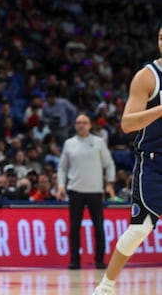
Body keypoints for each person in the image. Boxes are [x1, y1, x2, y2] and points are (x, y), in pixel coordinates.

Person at [93, 32, 162, 295]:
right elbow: (127, 124)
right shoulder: (147, 77)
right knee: (140, 228)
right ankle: (106, 286)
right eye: (160, 36)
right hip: (154, 161)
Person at [56, 113, 115, 270]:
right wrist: (61, 185)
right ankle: (75, 260)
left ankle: (100, 260)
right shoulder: (69, 143)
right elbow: (62, 168)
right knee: (75, 227)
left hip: (95, 190)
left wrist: (109, 183)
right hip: (75, 190)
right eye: (78, 122)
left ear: (90, 125)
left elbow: (109, 164)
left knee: (99, 227)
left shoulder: (98, 142)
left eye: (84, 122)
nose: (80, 125)